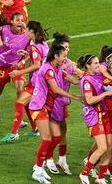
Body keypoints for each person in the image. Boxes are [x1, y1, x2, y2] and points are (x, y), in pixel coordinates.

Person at [30, 45, 81, 184]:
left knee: (57, 136)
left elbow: (74, 80)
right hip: (38, 107)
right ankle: (38, 170)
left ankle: (39, 164)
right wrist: (75, 97)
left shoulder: (58, 69)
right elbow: (56, 89)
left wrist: (86, 77)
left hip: (47, 108)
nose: (65, 59)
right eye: (63, 56)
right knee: (47, 139)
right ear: (56, 56)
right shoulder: (48, 70)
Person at [0, 20, 49, 142]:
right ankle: (35, 129)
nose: (24, 31)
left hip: (39, 82)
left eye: (26, 29)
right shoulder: (42, 43)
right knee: (26, 104)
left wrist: (19, 72)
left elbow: (37, 65)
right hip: (41, 80)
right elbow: (41, 59)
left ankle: (13, 134)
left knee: (20, 102)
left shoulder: (34, 46)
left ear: (31, 32)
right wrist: (28, 53)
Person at [77, 54, 112, 184]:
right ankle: (84, 174)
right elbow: (89, 100)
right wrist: (106, 93)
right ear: (88, 66)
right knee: (102, 148)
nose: (98, 65)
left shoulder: (97, 75)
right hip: (94, 116)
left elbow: (106, 68)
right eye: (94, 63)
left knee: (108, 147)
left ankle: (100, 178)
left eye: (98, 62)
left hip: (103, 114)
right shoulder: (87, 81)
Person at [0, 12, 30, 119]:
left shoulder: (27, 36)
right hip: (3, 66)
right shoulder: (4, 29)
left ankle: (19, 117)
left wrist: (21, 62)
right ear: (12, 22)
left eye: (22, 20)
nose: (20, 22)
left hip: (17, 65)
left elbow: (28, 54)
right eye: (18, 20)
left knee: (19, 89)